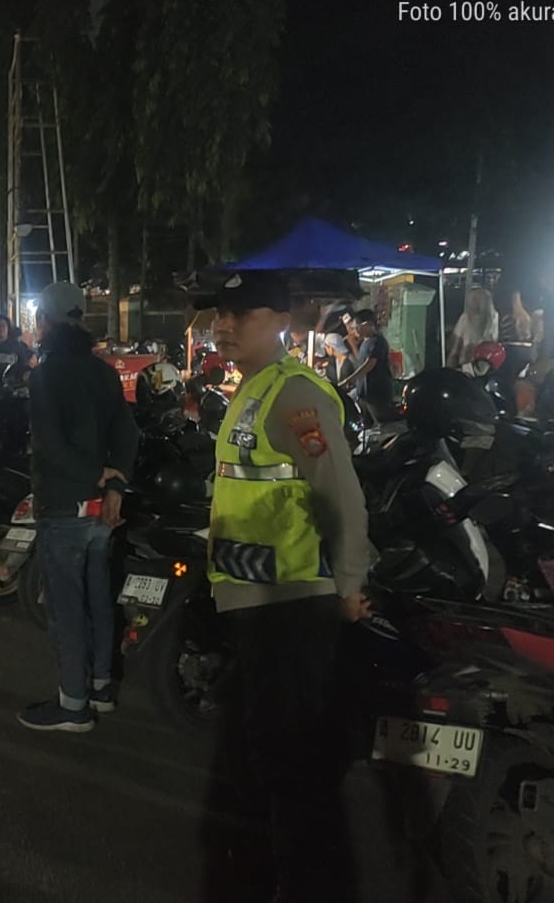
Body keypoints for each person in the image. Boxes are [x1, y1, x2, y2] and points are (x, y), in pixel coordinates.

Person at [195, 271, 372, 903]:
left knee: (294, 771)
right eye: (220, 312)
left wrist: (349, 584)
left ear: (279, 320)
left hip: (291, 607)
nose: (223, 324)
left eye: (241, 313)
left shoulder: (295, 393)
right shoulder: (252, 388)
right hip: (255, 603)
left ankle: (306, 885)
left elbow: (340, 497)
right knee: (261, 760)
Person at [17, 281, 138, 732]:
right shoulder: (103, 372)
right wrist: (115, 483)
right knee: (98, 598)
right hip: (102, 510)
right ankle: (101, 687)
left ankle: (73, 704)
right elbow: (128, 432)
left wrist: (93, 477)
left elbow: (49, 444)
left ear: (43, 321)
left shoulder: (46, 375)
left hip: (65, 504)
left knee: (66, 606)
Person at [340, 309, 394, 423]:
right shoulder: (365, 342)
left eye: (356, 326)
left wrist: (349, 380)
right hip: (364, 395)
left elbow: (369, 365)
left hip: (376, 395)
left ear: (368, 324)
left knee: (381, 425)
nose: (355, 330)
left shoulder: (377, 342)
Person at [447, 286, 499, 368]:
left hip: (468, 364)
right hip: (489, 364)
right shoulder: (496, 317)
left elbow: (455, 349)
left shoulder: (466, 318)